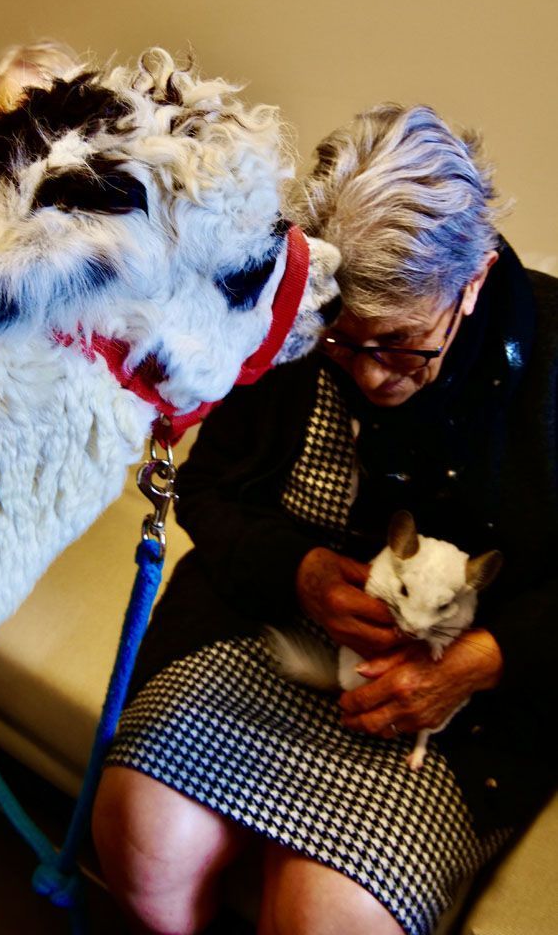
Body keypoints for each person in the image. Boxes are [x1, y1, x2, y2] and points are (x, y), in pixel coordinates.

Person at [91, 104, 557, 935]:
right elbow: (207, 491)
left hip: (451, 707)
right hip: (268, 635)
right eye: (345, 344)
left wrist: (480, 660)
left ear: (474, 280)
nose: (373, 377)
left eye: (403, 345)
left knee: (323, 915)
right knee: (137, 831)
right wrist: (296, 573)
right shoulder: (291, 313)